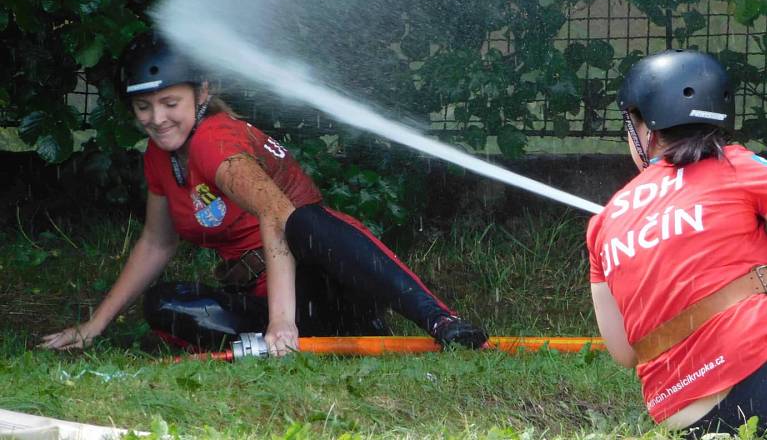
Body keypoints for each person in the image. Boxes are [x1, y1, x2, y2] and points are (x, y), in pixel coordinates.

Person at [40, 32, 488, 355]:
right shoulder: (160, 157)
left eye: (169, 103)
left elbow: (277, 216)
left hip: (324, 286)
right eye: (143, 107)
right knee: (164, 304)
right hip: (266, 294)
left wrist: (281, 322)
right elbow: (158, 242)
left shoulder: (214, 142)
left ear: (201, 94)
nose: (156, 119)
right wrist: (93, 326)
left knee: (302, 221)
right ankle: (284, 344)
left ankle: (440, 321)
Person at [586, 49, 767, 437]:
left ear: (645, 129)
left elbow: (624, 351)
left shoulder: (604, 221)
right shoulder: (739, 165)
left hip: (685, 419)